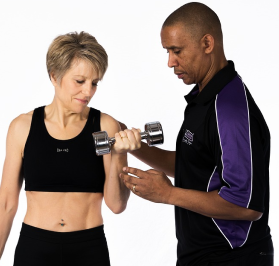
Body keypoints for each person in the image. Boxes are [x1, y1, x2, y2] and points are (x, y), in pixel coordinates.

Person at [118, 2, 274, 266]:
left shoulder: (230, 110)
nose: (170, 62)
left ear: (207, 43)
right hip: (199, 255)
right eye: (168, 51)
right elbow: (198, 166)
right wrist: (134, 146)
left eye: (177, 51)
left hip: (233, 258)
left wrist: (167, 194)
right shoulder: (204, 97)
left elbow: (246, 205)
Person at [0, 31, 132, 266]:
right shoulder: (22, 127)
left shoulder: (104, 127)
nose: (88, 92)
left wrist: (120, 154)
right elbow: (7, 204)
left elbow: (117, 205)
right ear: (54, 76)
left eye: (94, 83)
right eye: (80, 81)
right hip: (35, 249)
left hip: (89, 249)